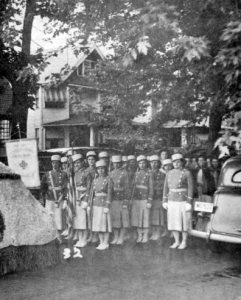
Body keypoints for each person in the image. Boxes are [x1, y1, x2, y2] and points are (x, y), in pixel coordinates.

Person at [163, 153, 193, 250]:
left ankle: (184, 241)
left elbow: (191, 188)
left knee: (184, 222)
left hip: (182, 200)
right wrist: (164, 200)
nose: (176, 164)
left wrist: (189, 201)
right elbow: (165, 188)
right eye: (174, 162)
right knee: (173, 222)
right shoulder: (169, 173)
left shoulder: (186, 173)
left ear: (182, 163)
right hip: (172, 200)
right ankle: (176, 241)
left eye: (178, 162)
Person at [41, 155, 68, 239]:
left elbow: (66, 187)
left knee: (59, 218)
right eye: (53, 163)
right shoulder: (47, 174)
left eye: (57, 163)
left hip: (59, 199)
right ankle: (50, 235)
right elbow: (43, 187)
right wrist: (43, 197)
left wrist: (65, 198)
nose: (55, 164)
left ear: (59, 164)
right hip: (50, 198)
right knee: (50, 217)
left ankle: (59, 236)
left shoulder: (64, 174)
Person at [131, 155, 154, 243]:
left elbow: (151, 188)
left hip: (145, 198)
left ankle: (145, 236)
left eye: (143, 163)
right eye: (140, 163)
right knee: (137, 218)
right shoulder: (136, 173)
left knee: (145, 218)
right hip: (137, 198)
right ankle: (139, 235)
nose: (142, 165)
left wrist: (149, 200)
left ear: (146, 164)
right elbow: (133, 187)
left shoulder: (149, 173)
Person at [91, 160, 113, 250]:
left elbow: (110, 193)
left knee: (105, 224)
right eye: (99, 169)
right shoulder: (95, 180)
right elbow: (92, 193)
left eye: (102, 169)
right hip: (96, 204)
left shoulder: (108, 179)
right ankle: (101, 241)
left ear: (105, 169)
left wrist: (107, 205)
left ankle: (106, 242)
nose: (100, 171)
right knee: (98, 224)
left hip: (104, 204)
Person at [109, 155, 130, 245]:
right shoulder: (110, 173)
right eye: (115, 163)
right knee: (115, 220)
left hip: (122, 198)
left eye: (118, 163)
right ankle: (116, 236)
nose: (116, 165)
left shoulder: (125, 173)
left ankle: (121, 237)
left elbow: (127, 188)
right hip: (113, 199)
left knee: (123, 220)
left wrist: (126, 200)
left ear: (121, 163)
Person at [72, 154, 92, 248]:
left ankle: (84, 239)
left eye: (78, 162)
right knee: (78, 221)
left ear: (82, 162)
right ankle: (80, 239)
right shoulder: (75, 174)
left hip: (83, 198)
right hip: (76, 198)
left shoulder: (86, 173)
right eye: (75, 163)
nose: (77, 164)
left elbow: (89, 188)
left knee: (84, 221)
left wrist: (86, 200)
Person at [149, 155, 166, 240]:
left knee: (158, 216)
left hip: (158, 197)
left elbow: (164, 186)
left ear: (159, 163)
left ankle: (158, 233)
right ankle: (153, 232)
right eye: (152, 162)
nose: (154, 164)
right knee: (151, 216)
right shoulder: (148, 173)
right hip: (150, 197)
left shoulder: (162, 174)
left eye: (156, 162)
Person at [159, 158, 173, 237]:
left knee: (171, 214)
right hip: (162, 195)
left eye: (169, 166)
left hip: (172, 196)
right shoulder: (161, 174)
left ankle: (172, 231)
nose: (168, 168)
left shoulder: (173, 173)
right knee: (163, 214)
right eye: (166, 166)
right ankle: (165, 230)